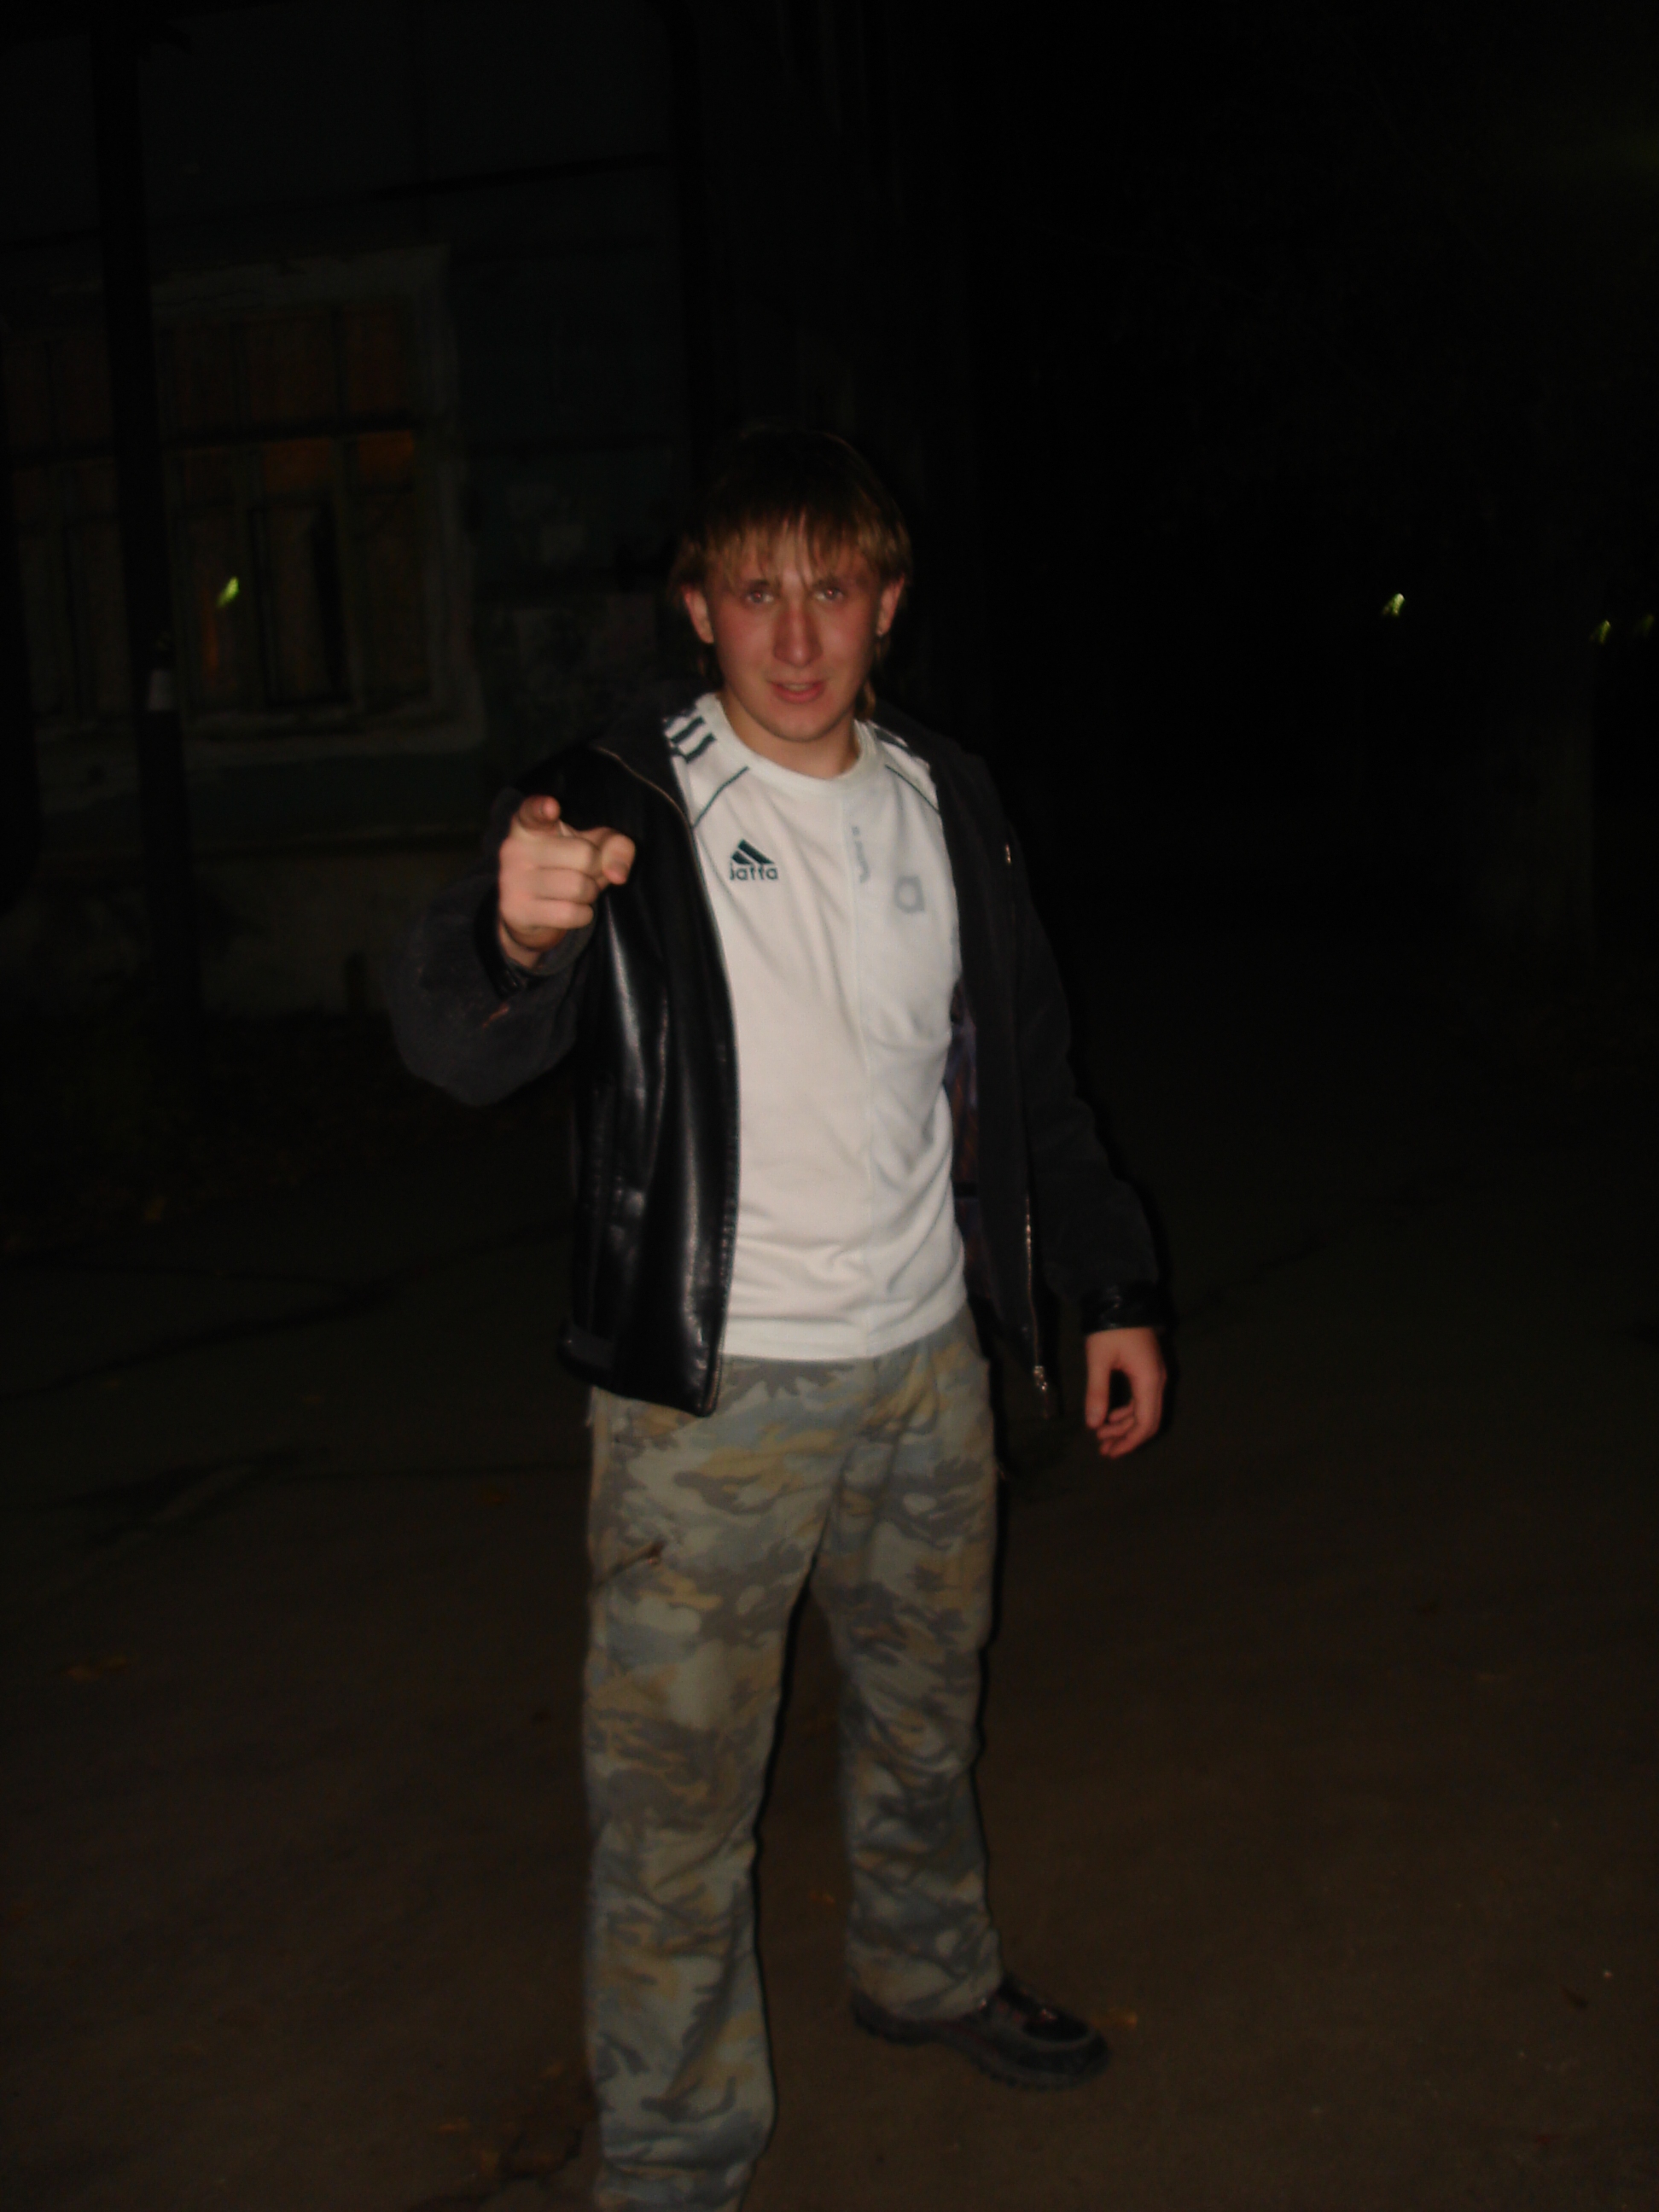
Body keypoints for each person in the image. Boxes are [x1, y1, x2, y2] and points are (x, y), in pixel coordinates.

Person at [387, 425, 1166, 2212]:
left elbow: (1033, 1074)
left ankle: (927, 1970)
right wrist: (511, 940)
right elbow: (456, 1042)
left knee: (925, 1715)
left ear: (888, 603)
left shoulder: (948, 796)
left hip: (927, 1368)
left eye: (832, 589)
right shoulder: (618, 803)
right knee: (676, 1804)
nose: (796, 634)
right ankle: (675, 2156)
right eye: (756, 591)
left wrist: (1109, 1283)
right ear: (698, 608)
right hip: (710, 1399)